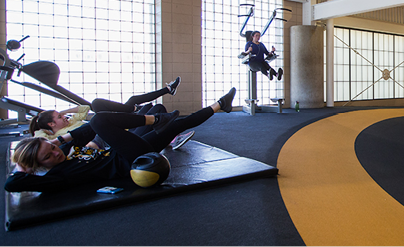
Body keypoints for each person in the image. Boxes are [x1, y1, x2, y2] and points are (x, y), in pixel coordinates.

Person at [4, 87, 236, 192]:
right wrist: (23, 165)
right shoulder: (59, 175)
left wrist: (60, 140)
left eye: (51, 148)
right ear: (38, 165)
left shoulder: (63, 150)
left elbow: (84, 134)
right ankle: (156, 121)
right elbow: (12, 184)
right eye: (48, 156)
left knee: (172, 121)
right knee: (98, 121)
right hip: (128, 160)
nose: (56, 153)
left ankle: (219, 106)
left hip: (126, 148)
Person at [29, 76, 182, 147]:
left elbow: (84, 108)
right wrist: (45, 129)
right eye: (59, 117)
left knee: (98, 103)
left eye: (62, 115)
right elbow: (37, 141)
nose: (64, 117)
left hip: (114, 123)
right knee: (155, 109)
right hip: (110, 134)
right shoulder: (54, 137)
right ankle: (142, 109)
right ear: (50, 124)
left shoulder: (73, 120)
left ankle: (137, 108)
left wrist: (61, 112)